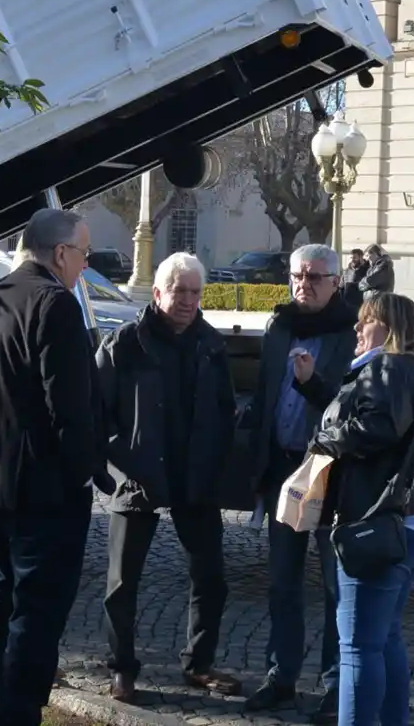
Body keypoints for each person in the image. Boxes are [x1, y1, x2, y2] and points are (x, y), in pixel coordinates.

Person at [0, 208, 107, 726]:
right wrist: (83, 472)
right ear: (61, 253)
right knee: (36, 613)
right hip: (45, 490)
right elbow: (69, 407)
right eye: (83, 255)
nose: (84, 267)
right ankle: (17, 714)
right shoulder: (57, 306)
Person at [95, 251, 242, 703]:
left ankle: (199, 663)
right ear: (157, 292)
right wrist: (113, 474)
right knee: (122, 583)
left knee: (211, 578)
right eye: (179, 291)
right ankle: (122, 668)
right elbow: (97, 415)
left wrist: (219, 471)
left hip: (193, 480)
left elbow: (224, 413)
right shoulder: (124, 344)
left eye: (195, 292)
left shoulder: (211, 346)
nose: (187, 300)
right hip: (137, 477)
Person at [298, 292, 414, 726]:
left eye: (367, 321)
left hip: (382, 521)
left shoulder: (387, 366)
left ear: (389, 326)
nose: (359, 329)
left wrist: (325, 441)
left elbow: (377, 427)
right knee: (385, 638)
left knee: (358, 646)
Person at [242, 243, 359, 722]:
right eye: (297, 276)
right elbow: (267, 393)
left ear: (335, 282)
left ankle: (336, 686)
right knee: (283, 584)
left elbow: (352, 409)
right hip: (284, 473)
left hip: (331, 475)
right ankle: (281, 677)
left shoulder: (349, 332)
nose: (303, 285)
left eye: (314, 277)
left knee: (336, 587)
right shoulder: (279, 326)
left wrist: (312, 383)